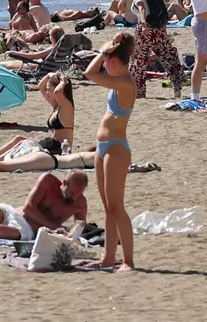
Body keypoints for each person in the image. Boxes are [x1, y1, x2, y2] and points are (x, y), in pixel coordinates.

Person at [84, 32, 137, 271]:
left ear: (114, 61)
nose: (104, 65)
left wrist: (102, 52)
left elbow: (89, 74)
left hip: (116, 148)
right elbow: (95, 73)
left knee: (117, 206)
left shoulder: (125, 83)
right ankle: (108, 257)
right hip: (102, 147)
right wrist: (107, 49)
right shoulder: (116, 80)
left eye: (107, 61)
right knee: (107, 207)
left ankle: (128, 260)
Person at [128, 0, 184, 100]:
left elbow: (142, 8)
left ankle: (139, 92)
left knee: (140, 61)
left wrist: (143, 24)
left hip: (146, 29)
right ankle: (177, 88)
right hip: (159, 29)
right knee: (167, 57)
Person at [0, 137, 97, 173]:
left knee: (3, 164)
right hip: (48, 161)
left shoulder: (82, 155)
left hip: (46, 158)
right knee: (4, 166)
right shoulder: (90, 157)